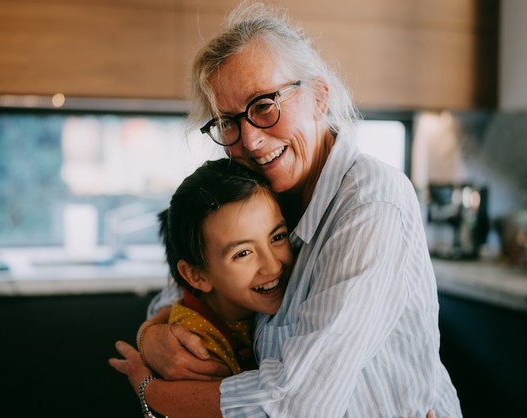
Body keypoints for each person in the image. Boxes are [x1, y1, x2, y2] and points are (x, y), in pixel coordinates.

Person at [110, 1, 463, 417]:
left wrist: (153, 393)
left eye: (264, 105)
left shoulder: (371, 203)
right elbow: (191, 281)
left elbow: (297, 403)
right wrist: (153, 331)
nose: (251, 141)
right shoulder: (262, 188)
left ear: (318, 96)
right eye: (229, 121)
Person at [157, 158, 293, 376]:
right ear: (196, 276)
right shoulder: (196, 351)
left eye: (277, 237)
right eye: (243, 253)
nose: (272, 266)